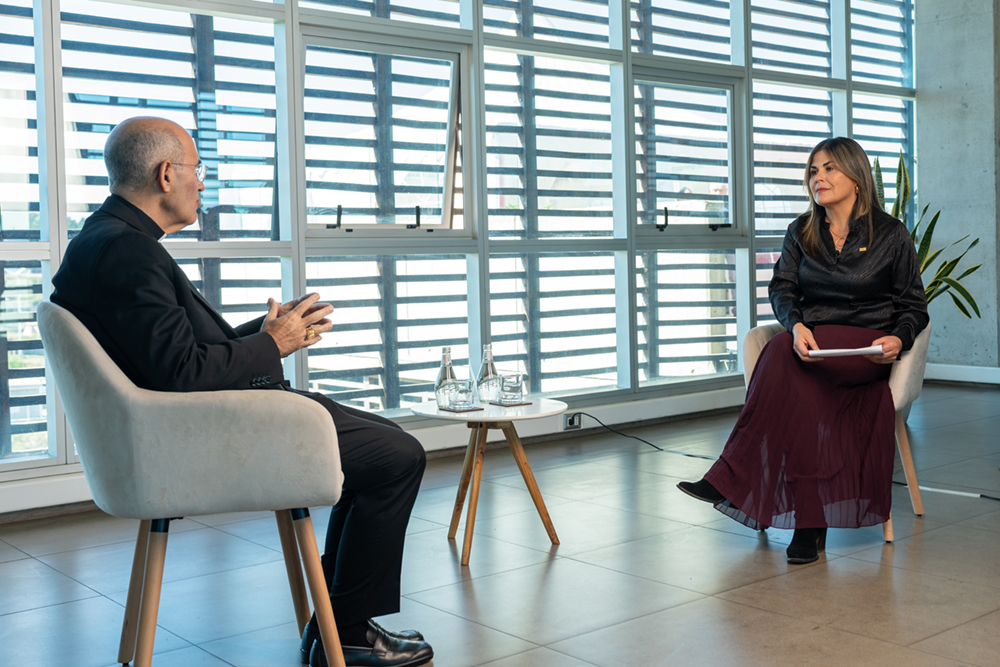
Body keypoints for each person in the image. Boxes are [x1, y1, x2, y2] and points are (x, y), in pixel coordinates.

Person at [50, 117, 433, 667]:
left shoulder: (104, 240)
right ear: (166, 174)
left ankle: (335, 625)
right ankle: (344, 633)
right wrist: (273, 344)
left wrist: (272, 332)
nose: (201, 182)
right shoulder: (128, 253)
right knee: (398, 457)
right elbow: (182, 371)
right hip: (200, 433)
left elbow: (171, 354)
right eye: (197, 169)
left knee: (387, 441)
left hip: (189, 419)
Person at [677, 137, 929, 564]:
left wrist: (899, 339)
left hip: (864, 351)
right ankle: (808, 525)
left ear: (856, 175)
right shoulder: (801, 231)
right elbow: (783, 288)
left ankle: (734, 481)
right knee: (783, 352)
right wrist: (795, 326)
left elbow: (913, 305)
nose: (818, 178)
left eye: (829, 168)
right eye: (813, 171)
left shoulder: (891, 234)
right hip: (813, 346)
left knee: (785, 363)